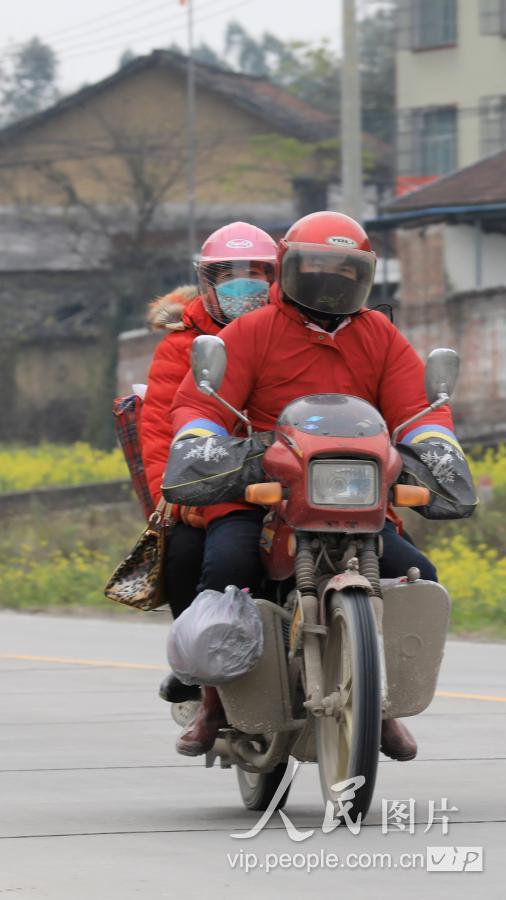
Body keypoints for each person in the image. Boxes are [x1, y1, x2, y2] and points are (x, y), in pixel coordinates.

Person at [169, 210, 467, 759]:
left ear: (365, 275)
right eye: (317, 268)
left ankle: (381, 703)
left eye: (345, 270)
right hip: (263, 494)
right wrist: (202, 440)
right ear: (288, 268)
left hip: (355, 496)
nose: (331, 281)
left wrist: (433, 446)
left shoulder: (380, 335)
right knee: (226, 568)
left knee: (417, 574)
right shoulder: (251, 331)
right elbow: (200, 404)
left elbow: (417, 410)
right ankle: (213, 699)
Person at [140, 221, 277, 702]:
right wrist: (178, 500)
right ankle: (198, 670)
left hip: (293, 478)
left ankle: (371, 691)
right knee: (185, 554)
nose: (247, 283)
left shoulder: (287, 332)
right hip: (213, 485)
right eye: (230, 273)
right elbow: (160, 433)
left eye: (259, 272)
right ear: (208, 281)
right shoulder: (181, 346)